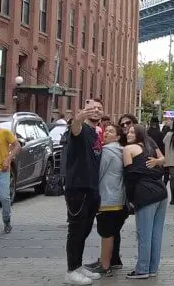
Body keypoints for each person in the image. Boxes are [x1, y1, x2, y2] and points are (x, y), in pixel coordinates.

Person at [63, 100, 105, 285]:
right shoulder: (80, 130)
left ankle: (78, 266)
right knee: (76, 230)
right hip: (78, 188)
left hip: (92, 188)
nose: (96, 111)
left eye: (99, 109)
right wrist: (78, 117)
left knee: (86, 229)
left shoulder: (96, 133)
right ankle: (71, 271)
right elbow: (75, 126)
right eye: (92, 108)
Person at [123, 124, 168, 279]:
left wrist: (129, 199)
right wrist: (156, 162)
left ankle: (142, 269)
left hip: (145, 194)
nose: (128, 134)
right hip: (161, 192)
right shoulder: (150, 145)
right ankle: (153, 267)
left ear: (139, 134)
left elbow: (129, 176)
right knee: (156, 233)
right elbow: (163, 159)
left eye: (131, 132)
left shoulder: (128, 149)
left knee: (144, 233)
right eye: (127, 131)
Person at [86, 123, 128, 276]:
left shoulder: (107, 152)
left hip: (107, 198)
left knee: (106, 233)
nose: (106, 133)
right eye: (106, 131)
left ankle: (105, 266)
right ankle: (111, 261)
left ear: (117, 137)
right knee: (112, 232)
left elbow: (99, 173)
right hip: (119, 198)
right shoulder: (121, 150)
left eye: (111, 131)